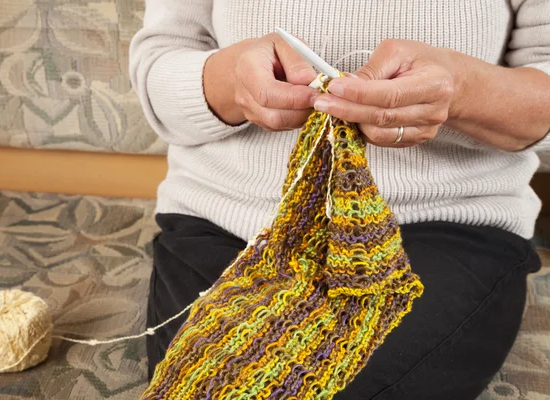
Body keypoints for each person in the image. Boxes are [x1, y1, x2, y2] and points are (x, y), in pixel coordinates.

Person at [129, 1, 550, 398]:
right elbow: (160, 66)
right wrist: (229, 81)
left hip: (445, 228)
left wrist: (461, 91)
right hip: (225, 222)